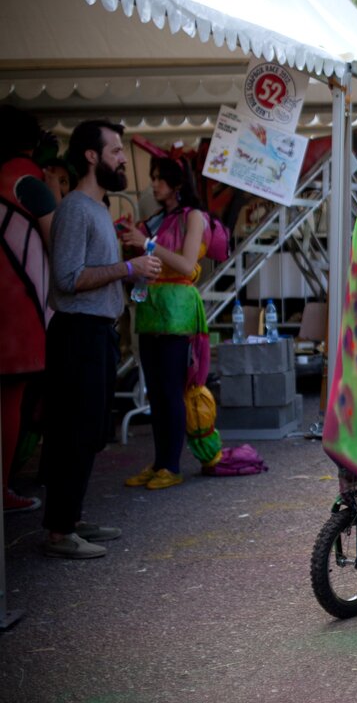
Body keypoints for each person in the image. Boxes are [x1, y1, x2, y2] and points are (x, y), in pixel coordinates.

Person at [42, 119, 161, 558]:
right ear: (91, 156)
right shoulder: (75, 208)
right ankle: (58, 531)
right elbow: (68, 278)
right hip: (78, 335)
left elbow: (93, 275)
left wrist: (132, 270)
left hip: (96, 334)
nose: (120, 158)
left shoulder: (97, 210)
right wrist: (127, 270)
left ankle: (69, 518)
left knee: (89, 431)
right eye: (114, 150)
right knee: (74, 432)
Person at [120, 157, 213, 490]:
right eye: (153, 178)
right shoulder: (152, 221)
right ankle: (160, 461)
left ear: (177, 185)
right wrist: (128, 240)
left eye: (159, 179)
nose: (153, 185)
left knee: (172, 391)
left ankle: (171, 465)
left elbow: (187, 264)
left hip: (176, 313)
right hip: (149, 311)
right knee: (156, 392)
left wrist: (145, 243)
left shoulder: (194, 217)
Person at [0, 106, 56, 513]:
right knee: (10, 402)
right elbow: (61, 245)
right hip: (16, 307)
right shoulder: (28, 181)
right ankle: (3, 487)